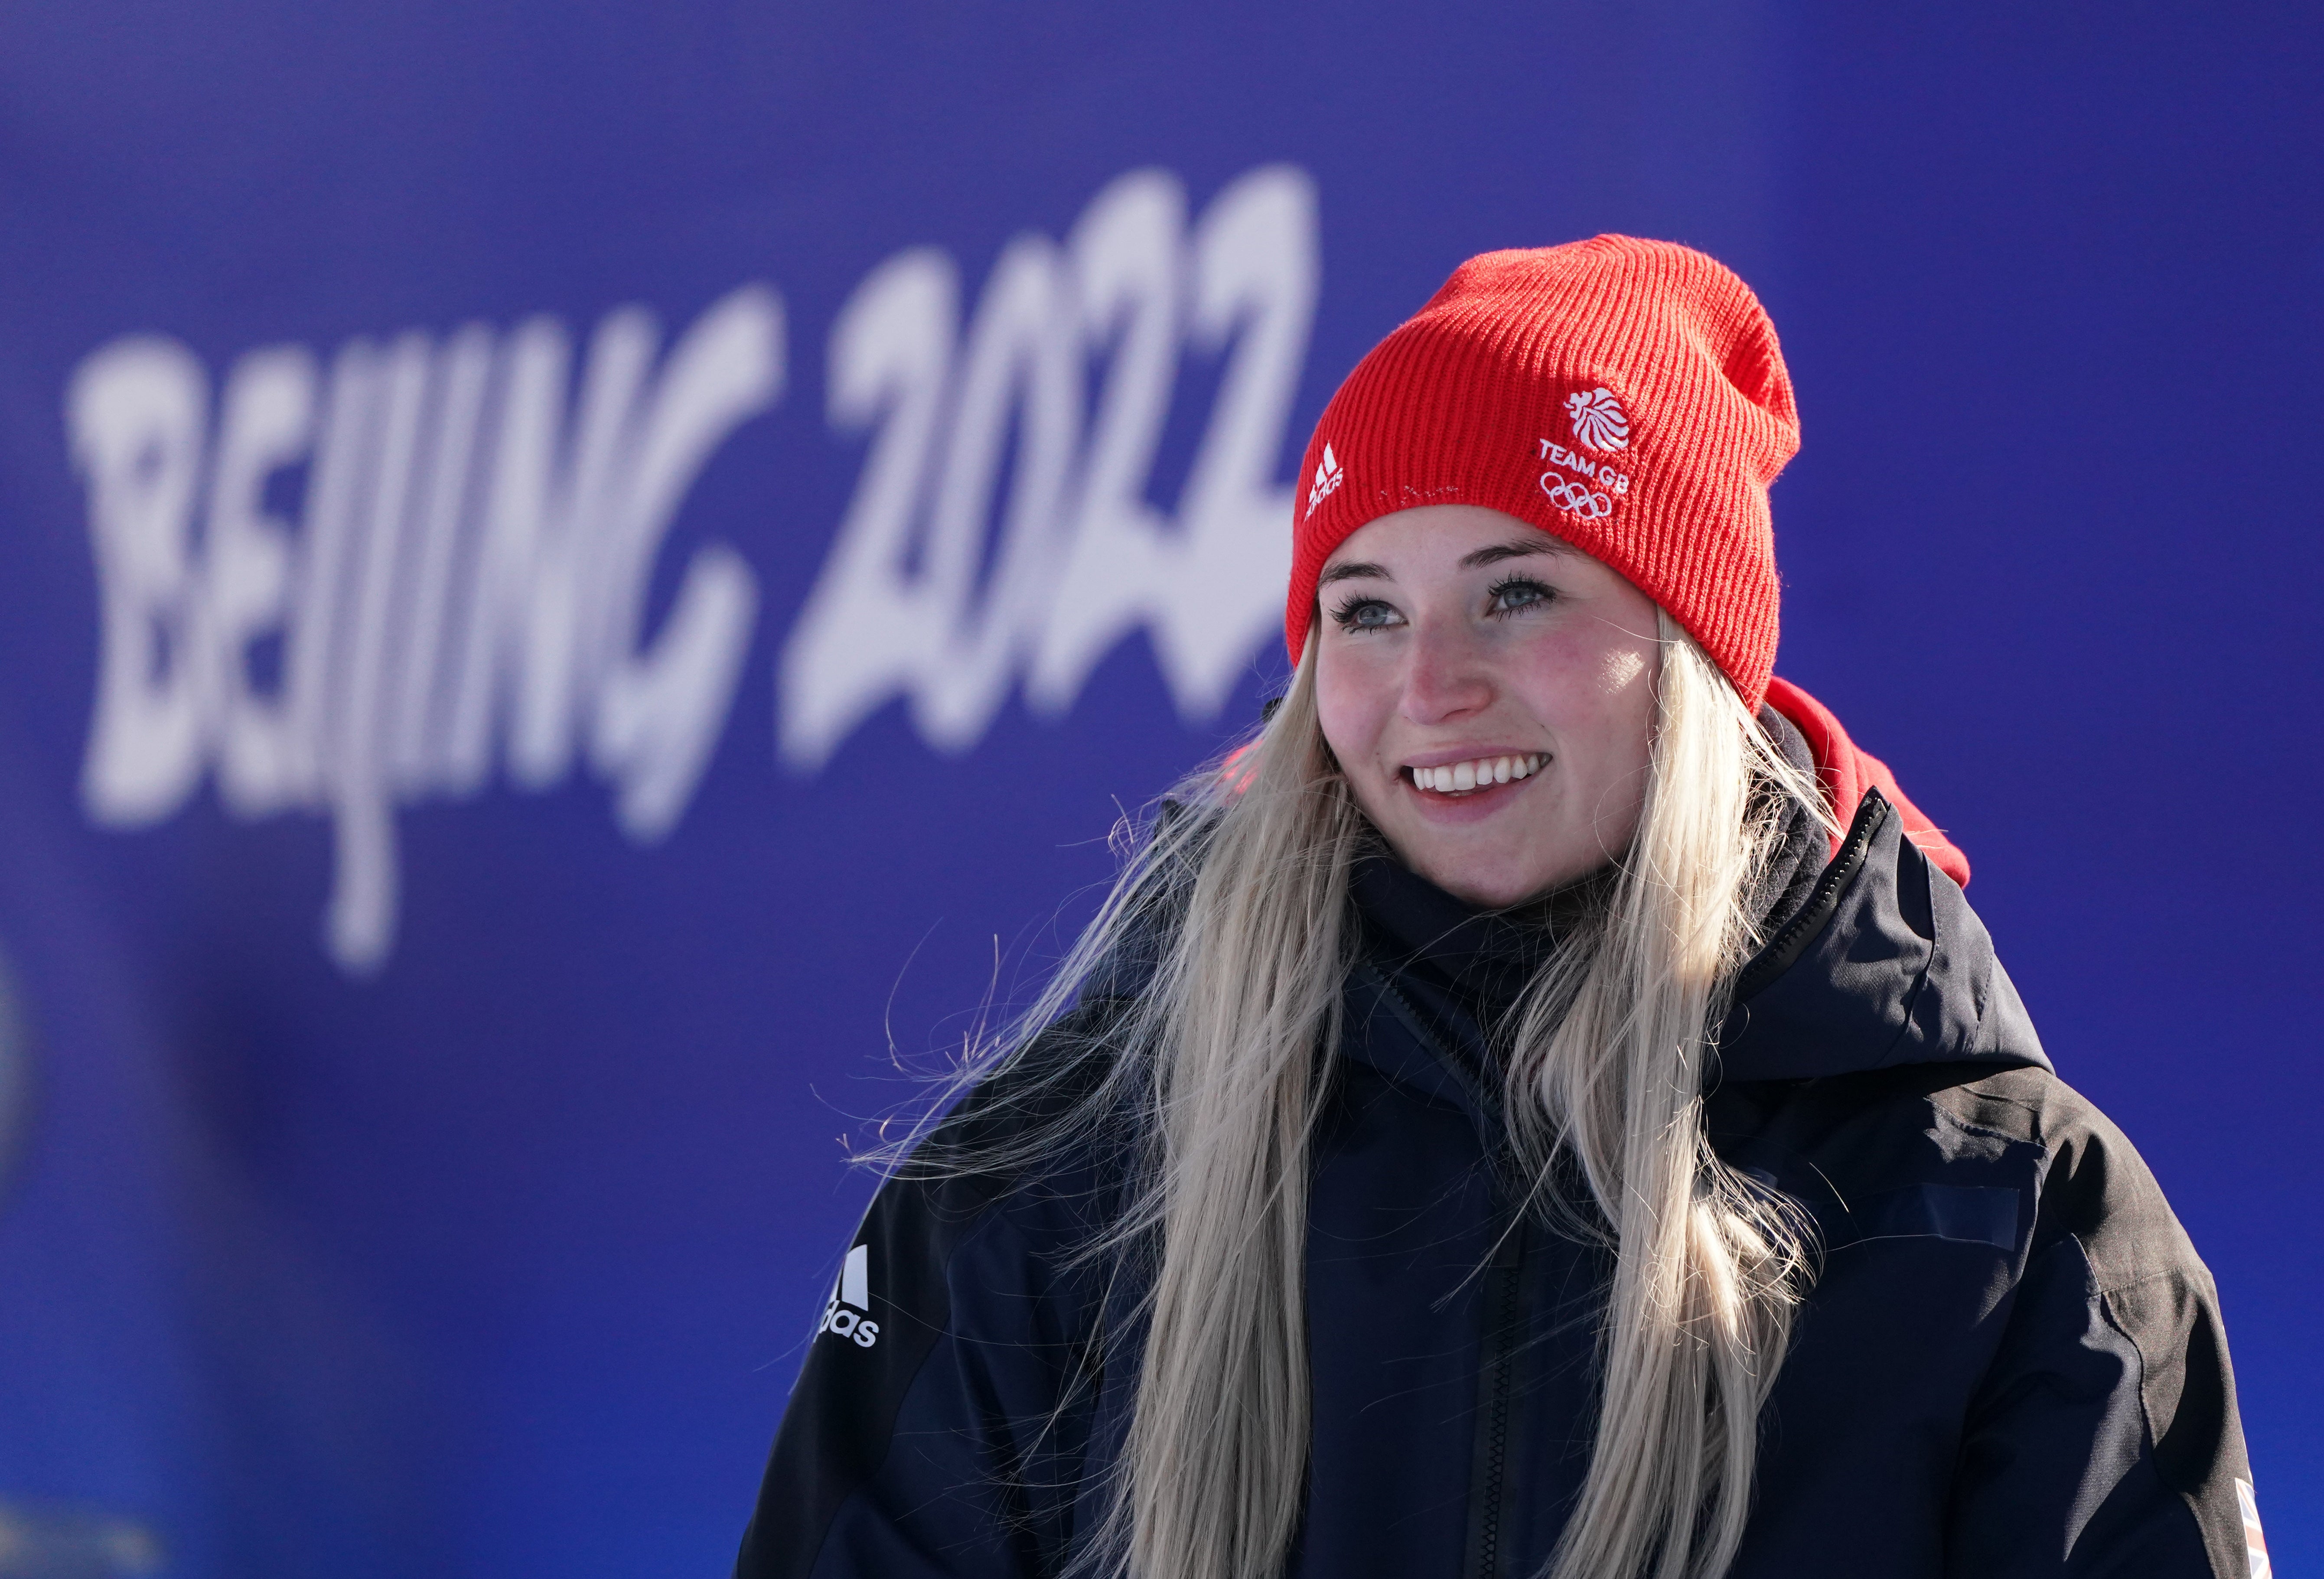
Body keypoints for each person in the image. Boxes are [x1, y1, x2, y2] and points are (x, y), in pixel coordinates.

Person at [734, 237, 2263, 1579]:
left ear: (1693, 658)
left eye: (1517, 591)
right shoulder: (1058, 1174)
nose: (1428, 686)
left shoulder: (1998, 1207)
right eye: (1366, 608)